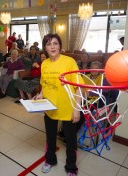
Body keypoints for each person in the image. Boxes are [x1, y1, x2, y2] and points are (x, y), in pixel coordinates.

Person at [34, 33, 83, 176]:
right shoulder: (44, 63)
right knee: (50, 137)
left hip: (68, 108)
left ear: (60, 46)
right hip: (49, 107)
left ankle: (71, 168)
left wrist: (76, 109)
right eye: (48, 44)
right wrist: (41, 94)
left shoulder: (69, 62)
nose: (52, 46)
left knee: (70, 141)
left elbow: (78, 86)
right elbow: (44, 83)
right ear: (45, 48)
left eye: (55, 43)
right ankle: (50, 160)